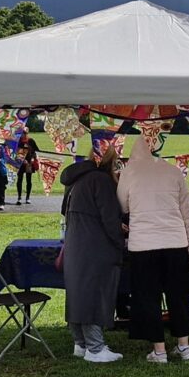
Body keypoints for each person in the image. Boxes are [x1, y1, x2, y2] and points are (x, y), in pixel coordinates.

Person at [117, 139, 189, 363]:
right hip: (175, 242)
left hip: (143, 245)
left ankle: (159, 350)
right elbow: (187, 214)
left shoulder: (129, 172)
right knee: (179, 296)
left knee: (147, 297)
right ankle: (184, 347)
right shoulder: (174, 172)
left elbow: (122, 206)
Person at [60, 149, 126, 362]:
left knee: (78, 293)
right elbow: (109, 219)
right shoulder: (100, 181)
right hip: (95, 246)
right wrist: (121, 241)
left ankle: (81, 343)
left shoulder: (76, 180)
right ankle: (95, 349)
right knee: (93, 294)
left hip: (76, 244)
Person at [14, 133, 40, 205]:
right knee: (20, 179)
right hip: (20, 163)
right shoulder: (18, 141)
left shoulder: (31, 141)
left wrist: (32, 158)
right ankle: (19, 197)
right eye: (23, 133)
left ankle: (28, 197)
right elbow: (15, 151)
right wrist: (21, 159)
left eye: (25, 133)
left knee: (29, 180)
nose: (24, 135)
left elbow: (36, 151)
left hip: (29, 163)